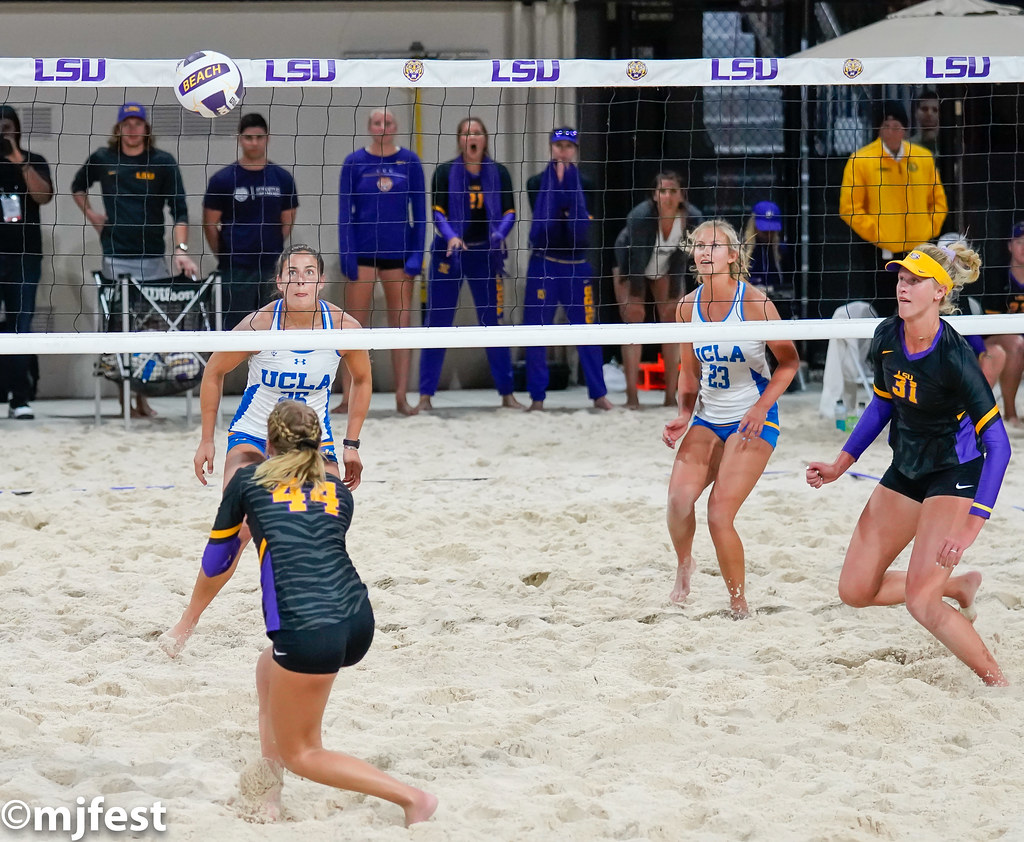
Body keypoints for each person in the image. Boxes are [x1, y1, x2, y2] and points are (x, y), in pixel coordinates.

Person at [187, 399, 437, 826]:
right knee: (267, 669)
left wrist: (188, 617)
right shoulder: (338, 490)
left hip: (309, 631)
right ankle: (268, 793)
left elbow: (217, 562)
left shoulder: (247, 482)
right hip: (358, 620)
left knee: (303, 752)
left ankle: (412, 799)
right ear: (321, 444)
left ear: (267, 443)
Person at [806, 240, 1010, 687]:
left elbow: (999, 444)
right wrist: (842, 463)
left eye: (914, 280)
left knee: (921, 602)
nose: (902, 287)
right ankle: (956, 586)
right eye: (900, 278)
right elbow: (882, 404)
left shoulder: (955, 357)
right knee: (855, 590)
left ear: (939, 292)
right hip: (907, 469)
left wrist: (972, 525)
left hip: (953, 474)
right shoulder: (886, 335)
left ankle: (998, 683)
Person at [160, 244, 371, 657]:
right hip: (255, 435)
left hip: (314, 440)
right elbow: (214, 371)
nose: (300, 280)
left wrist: (351, 444)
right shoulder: (259, 325)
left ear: (320, 281)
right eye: (292, 272)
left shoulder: (343, 327)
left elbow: (361, 380)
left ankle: (309, 618)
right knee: (236, 533)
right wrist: (207, 439)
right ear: (280, 281)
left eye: (309, 272)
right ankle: (187, 623)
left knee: (319, 528)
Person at [662, 219, 800, 617]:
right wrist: (684, 414)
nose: (704, 252)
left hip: (753, 418)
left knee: (719, 513)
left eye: (714, 246)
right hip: (708, 417)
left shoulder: (755, 303)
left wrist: (759, 409)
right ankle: (685, 564)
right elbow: (688, 372)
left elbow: (789, 364)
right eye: (699, 245)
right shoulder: (687, 307)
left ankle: (738, 602)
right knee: (677, 501)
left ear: (732, 255)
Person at [71, 102, 199, 417]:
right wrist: (93, 217)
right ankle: (123, 399)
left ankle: (142, 399)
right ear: (118, 128)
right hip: (116, 255)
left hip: (153, 256)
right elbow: (77, 187)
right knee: (119, 328)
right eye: (126, 123)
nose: (132, 128)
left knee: (151, 330)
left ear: (146, 128)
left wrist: (180, 250)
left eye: (137, 122)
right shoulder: (103, 159)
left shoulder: (162, 162)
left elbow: (180, 210)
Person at [417, 116, 523, 411]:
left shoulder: (499, 173)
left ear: (485, 139)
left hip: (484, 255)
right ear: (459, 140)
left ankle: (507, 394)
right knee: (437, 324)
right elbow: (438, 214)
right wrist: (451, 237)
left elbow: (509, 212)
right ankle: (425, 397)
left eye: (476, 133)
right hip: (449, 254)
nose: (471, 138)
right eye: (465, 133)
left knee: (493, 324)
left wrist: (499, 235)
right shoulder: (444, 172)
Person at [333, 108, 425, 416]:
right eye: (376, 122)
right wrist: (347, 255)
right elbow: (345, 213)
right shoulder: (354, 162)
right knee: (353, 330)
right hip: (361, 256)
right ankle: (348, 397)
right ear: (369, 127)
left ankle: (402, 397)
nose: (382, 127)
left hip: (398, 254)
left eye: (387, 122)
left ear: (395, 126)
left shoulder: (410, 162)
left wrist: (416, 256)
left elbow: (420, 214)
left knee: (401, 327)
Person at [523, 127, 612, 411]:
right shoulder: (536, 182)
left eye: (569, 146)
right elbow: (548, 228)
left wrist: (566, 195)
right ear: (550, 147)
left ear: (576, 150)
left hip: (576, 265)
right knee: (535, 331)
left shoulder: (587, 184)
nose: (563, 150)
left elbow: (579, 229)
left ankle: (598, 394)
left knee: (588, 330)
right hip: (544, 263)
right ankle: (537, 398)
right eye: (558, 145)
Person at [839, 100, 947, 317]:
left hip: (919, 247)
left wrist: (928, 229)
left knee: (922, 307)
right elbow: (849, 208)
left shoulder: (922, 158)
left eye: (897, 125)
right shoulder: (861, 159)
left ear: (905, 129)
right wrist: (878, 232)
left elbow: (939, 202)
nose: (892, 131)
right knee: (884, 309)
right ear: (878, 129)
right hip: (881, 251)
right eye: (886, 125)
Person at [613, 171, 702, 409]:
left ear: (682, 195)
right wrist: (634, 298)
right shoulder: (641, 216)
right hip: (630, 265)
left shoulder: (692, 218)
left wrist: (674, 296)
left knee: (673, 322)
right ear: (655, 195)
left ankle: (670, 397)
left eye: (673, 191)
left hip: (665, 267)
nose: (668, 196)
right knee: (634, 321)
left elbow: (681, 260)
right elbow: (635, 260)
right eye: (663, 191)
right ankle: (632, 397)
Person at [203, 112, 298, 330]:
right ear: (239, 138)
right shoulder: (223, 180)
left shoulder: (283, 179)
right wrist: (226, 254)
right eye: (248, 137)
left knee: (272, 329)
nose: (254, 143)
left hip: (272, 268)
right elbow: (209, 223)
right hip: (235, 269)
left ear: (267, 138)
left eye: (259, 137)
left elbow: (287, 221)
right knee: (235, 331)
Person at [0, 104, 53, 420]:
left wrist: (18, 160)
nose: (3, 130)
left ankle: (20, 398)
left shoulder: (34, 161)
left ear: (17, 128)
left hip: (24, 257)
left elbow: (43, 196)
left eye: (8, 126)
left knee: (21, 327)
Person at [977, 221, 1024, 425]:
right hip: (995, 337)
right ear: (1010, 245)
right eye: (1020, 242)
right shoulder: (995, 277)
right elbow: (989, 326)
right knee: (1015, 343)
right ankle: (1010, 413)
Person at [742, 200, 795, 320]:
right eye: (764, 230)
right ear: (753, 224)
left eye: (771, 230)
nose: (768, 233)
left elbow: (788, 285)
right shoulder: (741, 250)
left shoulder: (782, 250)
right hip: (748, 305)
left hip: (777, 305)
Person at [909, 89, 940, 156]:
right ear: (916, 113)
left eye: (935, 110)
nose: (929, 114)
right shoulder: (909, 146)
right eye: (924, 109)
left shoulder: (951, 146)